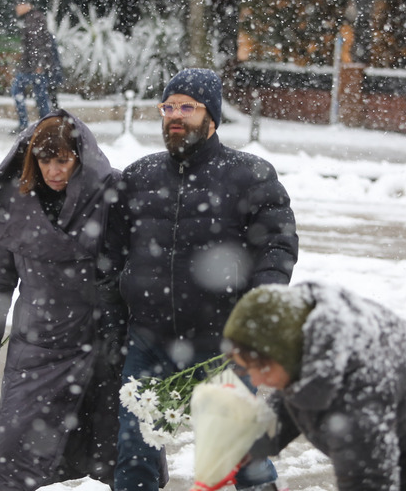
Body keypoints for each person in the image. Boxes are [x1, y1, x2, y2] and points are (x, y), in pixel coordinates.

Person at [103, 68, 299, 490]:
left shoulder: (249, 175)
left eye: (187, 107)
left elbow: (278, 248)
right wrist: (115, 313)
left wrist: (259, 311)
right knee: (134, 458)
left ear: (212, 116)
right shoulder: (138, 177)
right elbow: (111, 253)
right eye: (169, 106)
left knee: (245, 458)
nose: (175, 115)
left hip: (222, 345)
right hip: (149, 341)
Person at [0, 109, 125, 490]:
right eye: (44, 160)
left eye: (63, 160)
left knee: (122, 456)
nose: (53, 170)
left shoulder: (111, 199)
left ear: (79, 159)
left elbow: (141, 268)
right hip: (38, 350)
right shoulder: (17, 210)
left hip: (103, 346)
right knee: (14, 459)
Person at [223, 281, 406, 491]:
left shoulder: (358, 394)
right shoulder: (308, 340)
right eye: (247, 369)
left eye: (261, 368)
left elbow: (367, 482)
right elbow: (295, 394)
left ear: (287, 354)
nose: (256, 381)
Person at [11, 2, 56, 134]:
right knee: (40, 95)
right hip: (34, 65)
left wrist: (38, 65)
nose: (16, 9)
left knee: (18, 91)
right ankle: (46, 125)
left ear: (27, 5)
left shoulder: (33, 20)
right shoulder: (34, 18)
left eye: (18, 5)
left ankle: (25, 123)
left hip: (31, 67)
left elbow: (37, 44)